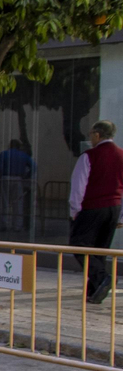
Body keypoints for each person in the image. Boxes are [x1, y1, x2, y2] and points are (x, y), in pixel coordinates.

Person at [68, 120, 123, 304]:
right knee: (100, 249)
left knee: (79, 245)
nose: (90, 138)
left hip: (93, 207)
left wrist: (75, 210)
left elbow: (79, 186)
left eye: (91, 134)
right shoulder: (121, 155)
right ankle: (94, 291)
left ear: (97, 135)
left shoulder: (90, 156)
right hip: (113, 208)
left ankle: (102, 277)